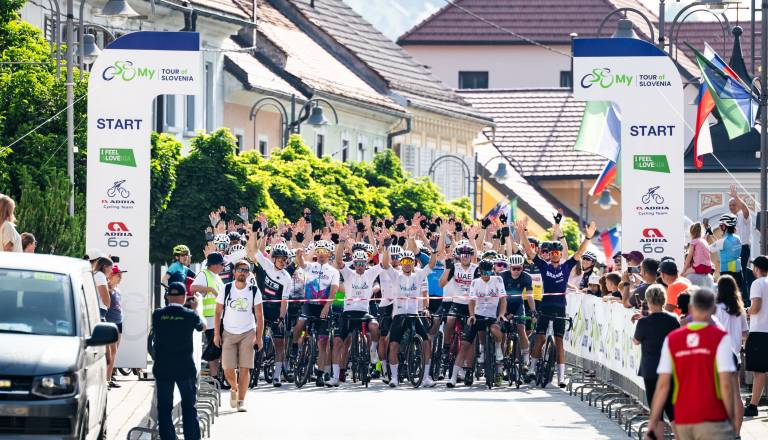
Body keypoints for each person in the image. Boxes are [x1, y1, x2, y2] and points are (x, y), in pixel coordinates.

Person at [646, 288, 736, 440]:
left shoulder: (672, 339)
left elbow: (662, 386)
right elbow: (726, 384)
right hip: (713, 417)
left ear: (691, 308)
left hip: (683, 418)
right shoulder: (720, 338)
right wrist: (732, 420)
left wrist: (652, 425)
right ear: (713, 309)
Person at [516, 217, 595, 387]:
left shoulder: (567, 266)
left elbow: (579, 254)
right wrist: (522, 233)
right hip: (545, 306)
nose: (554, 255)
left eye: (557, 253)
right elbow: (530, 252)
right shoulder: (544, 266)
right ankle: (532, 368)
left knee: (559, 343)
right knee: (540, 339)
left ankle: (560, 377)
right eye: (552, 253)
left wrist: (588, 238)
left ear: (560, 254)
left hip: (560, 307)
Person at [151, 282, 205, 440]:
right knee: (189, 407)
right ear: (183, 297)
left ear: (167, 297)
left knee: (164, 408)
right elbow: (203, 326)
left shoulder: (157, 314)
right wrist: (194, 309)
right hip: (185, 367)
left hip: (163, 367)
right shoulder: (190, 315)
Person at [330, 242, 385, 387]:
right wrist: (341, 242)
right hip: (348, 313)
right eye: (357, 263)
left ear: (366, 263)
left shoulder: (370, 273)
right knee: (337, 343)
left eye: (362, 263)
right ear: (354, 263)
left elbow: (384, 263)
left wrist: (385, 246)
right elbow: (338, 261)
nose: (360, 265)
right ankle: (335, 376)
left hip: (363, 313)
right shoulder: (349, 273)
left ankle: (373, 351)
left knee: (375, 326)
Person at [382, 244, 437, 388]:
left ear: (413, 263)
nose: (407, 264)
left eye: (409, 261)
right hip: (399, 315)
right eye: (404, 261)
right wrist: (386, 247)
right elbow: (386, 264)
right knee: (393, 345)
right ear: (401, 263)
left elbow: (431, 264)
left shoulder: (418, 275)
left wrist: (434, 250)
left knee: (426, 343)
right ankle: (393, 377)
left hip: (413, 314)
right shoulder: (396, 275)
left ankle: (426, 377)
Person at [213, 260, 264, 412]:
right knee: (228, 368)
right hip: (228, 333)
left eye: (245, 270)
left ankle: (241, 401)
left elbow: (260, 316)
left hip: (248, 333)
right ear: (234, 272)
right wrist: (217, 334)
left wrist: (259, 337)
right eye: (240, 269)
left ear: (248, 274)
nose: (242, 272)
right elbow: (217, 312)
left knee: (244, 368)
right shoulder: (226, 288)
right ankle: (234, 388)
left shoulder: (254, 290)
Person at [447, 259, 506, 388]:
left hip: (491, 316)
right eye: (483, 272)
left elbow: (503, 299)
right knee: (465, 345)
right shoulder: (475, 282)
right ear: (479, 271)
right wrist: (472, 315)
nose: (486, 274)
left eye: (488, 271)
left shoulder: (498, 280)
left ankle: (497, 347)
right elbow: (472, 301)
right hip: (478, 315)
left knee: (496, 330)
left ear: (492, 270)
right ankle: (452, 378)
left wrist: (501, 314)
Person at [292, 240, 340, 387]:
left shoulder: (333, 271)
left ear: (330, 255)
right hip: (309, 305)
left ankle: (319, 374)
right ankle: (295, 346)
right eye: (318, 251)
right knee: (300, 323)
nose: (320, 254)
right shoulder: (311, 266)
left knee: (322, 342)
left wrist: (327, 306)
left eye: (324, 252)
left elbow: (334, 290)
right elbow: (302, 264)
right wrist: (299, 256)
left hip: (323, 307)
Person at [632, 284, 679, 426]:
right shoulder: (673, 319)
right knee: (672, 410)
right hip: (669, 369)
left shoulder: (644, 322)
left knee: (656, 412)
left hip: (651, 369)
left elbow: (636, 341)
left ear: (648, 301)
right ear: (664, 300)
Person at [249, 237, 292, 387]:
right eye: (280, 259)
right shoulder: (266, 265)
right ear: (273, 259)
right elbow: (254, 251)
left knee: (280, 343)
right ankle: (251, 368)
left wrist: (281, 317)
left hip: (276, 311)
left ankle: (277, 375)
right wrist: (259, 235)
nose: (282, 262)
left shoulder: (287, 278)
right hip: (261, 309)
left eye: (285, 260)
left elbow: (284, 301)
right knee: (254, 339)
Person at [714, 275, 748, 433]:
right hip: (735, 354)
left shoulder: (717, 308)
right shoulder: (739, 309)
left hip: (720, 354)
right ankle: (737, 432)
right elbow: (745, 332)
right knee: (736, 395)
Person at [190, 252, 225, 380]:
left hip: (219, 317)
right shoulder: (204, 274)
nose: (223, 267)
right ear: (214, 265)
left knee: (218, 348)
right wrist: (210, 289)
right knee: (215, 347)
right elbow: (193, 288)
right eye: (222, 264)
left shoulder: (216, 276)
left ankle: (218, 376)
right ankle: (215, 376)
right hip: (210, 319)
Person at [500, 253, 535, 368]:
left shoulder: (526, 277)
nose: (516, 271)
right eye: (513, 268)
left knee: (521, 328)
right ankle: (501, 360)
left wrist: (534, 311)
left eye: (519, 268)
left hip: (518, 305)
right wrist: (504, 313)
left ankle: (525, 357)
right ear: (509, 267)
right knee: (502, 334)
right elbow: (499, 296)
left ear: (522, 268)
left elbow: (529, 296)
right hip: (504, 304)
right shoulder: (502, 276)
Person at [745, 255, 768, 417]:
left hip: (759, 330)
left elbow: (756, 306)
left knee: (759, 372)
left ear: (757, 269)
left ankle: (753, 406)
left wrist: (746, 311)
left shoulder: (757, 283)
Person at [709, 213, 744, 302]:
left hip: (727, 273)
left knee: (726, 299)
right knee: (737, 298)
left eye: (721, 225)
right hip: (738, 271)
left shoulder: (723, 241)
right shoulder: (737, 238)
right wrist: (711, 234)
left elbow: (709, 249)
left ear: (724, 226)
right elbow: (720, 244)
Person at [728, 185, 753, 296]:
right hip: (733, 250)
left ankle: (744, 298)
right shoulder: (731, 219)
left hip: (742, 248)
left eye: (734, 205)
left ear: (738, 205)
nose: (732, 207)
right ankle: (735, 294)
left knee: (741, 271)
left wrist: (736, 197)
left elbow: (745, 208)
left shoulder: (743, 215)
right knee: (733, 272)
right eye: (730, 205)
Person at [106, 264, 127, 388]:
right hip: (110, 323)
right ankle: (106, 378)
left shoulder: (117, 289)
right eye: (118, 275)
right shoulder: (106, 289)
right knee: (110, 352)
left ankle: (109, 377)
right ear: (111, 276)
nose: (120, 277)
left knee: (114, 353)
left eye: (121, 275)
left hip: (119, 322)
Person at [682, 223, 714, 288]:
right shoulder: (704, 241)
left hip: (699, 267)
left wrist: (684, 270)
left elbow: (689, 256)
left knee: (683, 276)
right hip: (708, 268)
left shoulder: (694, 242)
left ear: (691, 233)